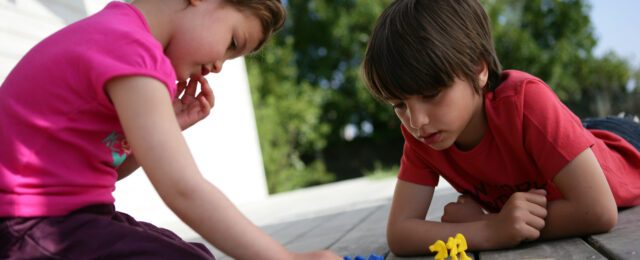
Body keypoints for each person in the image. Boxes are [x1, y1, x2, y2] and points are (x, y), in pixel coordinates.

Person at [0, 0, 341, 259]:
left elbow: (95, 173)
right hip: (31, 225)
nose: (220, 65)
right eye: (233, 43)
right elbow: (183, 189)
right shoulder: (131, 49)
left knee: (193, 253)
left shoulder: (120, 35)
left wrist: (165, 128)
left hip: (59, 219)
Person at [361, 0, 640, 256]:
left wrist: (491, 224)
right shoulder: (422, 135)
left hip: (624, 142)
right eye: (399, 104)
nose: (416, 121)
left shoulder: (525, 102)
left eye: (432, 94)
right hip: (572, 133)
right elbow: (400, 233)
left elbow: (598, 211)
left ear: (478, 70)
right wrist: (489, 231)